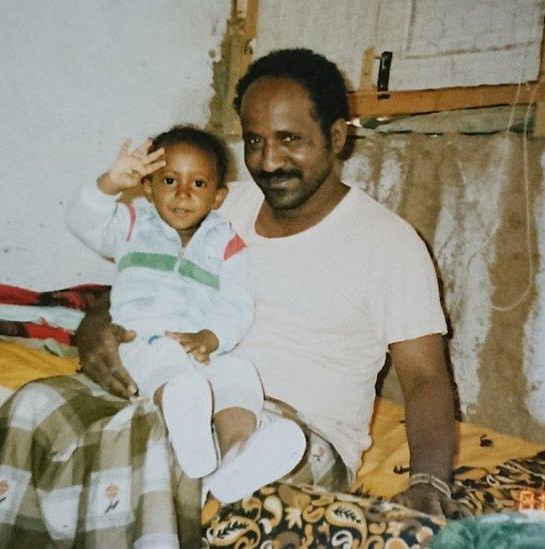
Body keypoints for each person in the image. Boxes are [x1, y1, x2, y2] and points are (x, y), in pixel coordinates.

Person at [76, 49, 463, 518]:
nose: (269, 161)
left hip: (299, 435)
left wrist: (428, 483)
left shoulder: (390, 244)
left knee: (145, 456)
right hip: (195, 392)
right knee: (42, 410)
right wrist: (96, 323)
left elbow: (425, 379)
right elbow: (148, 271)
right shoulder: (219, 206)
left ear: (337, 137)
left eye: (289, 139)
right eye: (254, 141)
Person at [65, 125, 306, 503]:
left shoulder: (226, 242)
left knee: (240, 372)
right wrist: (110, 183)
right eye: (169, 180)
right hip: (141, 339)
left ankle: (238, 453)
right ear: (147, 186)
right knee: (171, 371)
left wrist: (213, 337)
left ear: (217, 196)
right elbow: (82, 221)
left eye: (198, 184)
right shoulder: (132, 225)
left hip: (202, 347)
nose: (182, 194)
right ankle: (190, 440)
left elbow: (238, 301)